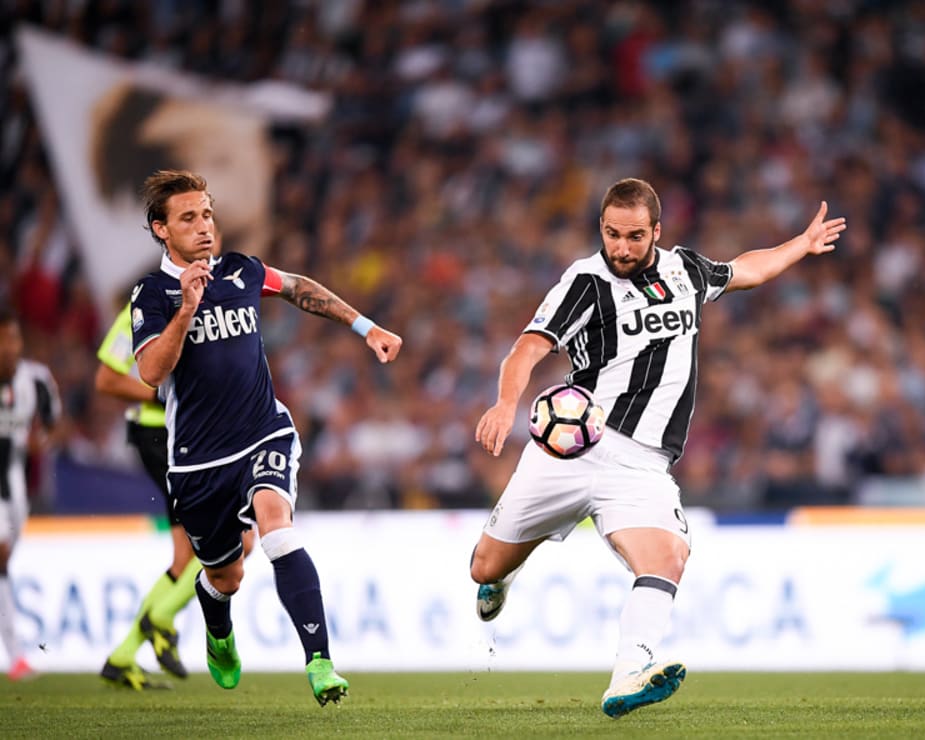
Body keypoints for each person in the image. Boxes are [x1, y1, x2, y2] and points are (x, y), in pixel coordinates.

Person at [470, 177, 845, 718]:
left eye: (634, 236)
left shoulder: (685, 269)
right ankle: (504, 575)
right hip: (571, 448)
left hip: (642, 463)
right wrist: (507, 403)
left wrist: (800, 245)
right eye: (611, 234)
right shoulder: (585, 281)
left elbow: (746, 270)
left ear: (657, 232)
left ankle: (629, 673)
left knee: (668, 556)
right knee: (483, 567)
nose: (621, 248)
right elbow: (528, 347)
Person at [130, 169, 402, 705]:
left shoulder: (241, 271)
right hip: (197, 461)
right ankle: (216, 621)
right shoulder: (152, 293)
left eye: (207, 214)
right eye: (189, 218)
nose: (205, 226)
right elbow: (151, 373)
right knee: (225, 576)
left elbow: (299, 288)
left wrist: (365, 327)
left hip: (262, 433)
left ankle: (320, 661)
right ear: (161, 229)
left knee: (277, 527)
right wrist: (185, 310)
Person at [95, 293, 255, 690]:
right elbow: (107, 378)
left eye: (211, 231)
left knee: (187, 557)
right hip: (161, 436)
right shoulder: (145, 309)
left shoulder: (217, 303)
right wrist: (160, 394)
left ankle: (124, 654)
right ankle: (160, 618)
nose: (206, 241)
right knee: (239, 540)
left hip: (193, 438)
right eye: (194, 227)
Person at [0, 306, 61, 682]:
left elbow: (53, 423)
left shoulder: (36, 380)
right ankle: (16, 655)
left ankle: (16, 655)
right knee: (0, 557)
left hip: (14, 487)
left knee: (3, 564)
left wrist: (40, 441)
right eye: (3, 340)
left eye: (14, 337)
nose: (9, 347)